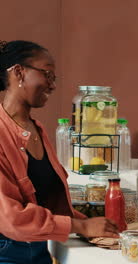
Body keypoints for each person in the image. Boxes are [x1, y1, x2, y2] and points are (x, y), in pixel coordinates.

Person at [0, 40, 119, 264]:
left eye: (54, 78)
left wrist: (90, 224)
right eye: (47, 74)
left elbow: (49, 202)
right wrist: (81, 226)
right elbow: (10, 219)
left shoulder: (38, 130)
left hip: (37, 249)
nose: (52, 85)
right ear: (18, 72)